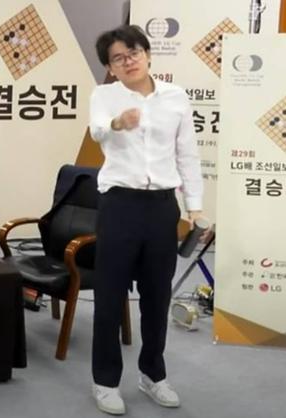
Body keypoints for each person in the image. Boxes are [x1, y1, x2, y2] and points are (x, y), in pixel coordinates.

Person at [89, 25, 204, 415]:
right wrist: (117, 124)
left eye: (134, 52)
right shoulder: (104, 96)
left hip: (161, 207)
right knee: (109, 297)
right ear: (110, 67)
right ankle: (105, 381)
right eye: (118, 58)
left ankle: (153, 374)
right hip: (119, 205)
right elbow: (97, 130)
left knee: (157, 297)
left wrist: (195, 206)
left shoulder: (176, 97)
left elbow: (187, 154)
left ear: (148, 54)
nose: (129, 61)